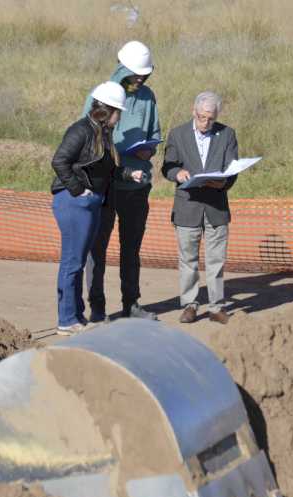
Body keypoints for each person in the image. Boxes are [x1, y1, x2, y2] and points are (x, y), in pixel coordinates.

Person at [50, 81, 146, 336]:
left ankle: (76, 316)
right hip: (74, 203)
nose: (120, 117)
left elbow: (108, 168)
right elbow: (59, 161)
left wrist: (128, 173)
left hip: (92, 202)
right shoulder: (80, 131)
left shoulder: (102, 134)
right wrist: (79, 191)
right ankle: (66, 319)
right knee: (72, 262)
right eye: (118, 112)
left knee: (79, 262)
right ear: (107, 110)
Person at [83, 41, 161, 322]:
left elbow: (155, 133)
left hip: (137, 186)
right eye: (135, 74)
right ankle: (98, 308)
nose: (140, 79)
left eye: (144, 74)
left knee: (131, 249)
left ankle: (132, 304)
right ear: (121, 68)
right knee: (98, 250)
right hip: (106, 186)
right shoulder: (101, 94)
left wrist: (147, 150)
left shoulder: (149, 97)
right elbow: (86, 134)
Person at [161, 91, 238, 325]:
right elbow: (167, 166)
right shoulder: (177, 134)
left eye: (211, 118)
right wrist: (178, 173)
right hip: (187, 206)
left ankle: (216, 307)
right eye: (202, 117)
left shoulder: (227, 134)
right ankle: (190, 305)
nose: (206, 123)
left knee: (216, 260)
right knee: (188, 260)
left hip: (216, 207)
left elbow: (232, 169)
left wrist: (223, 181)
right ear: (194, 112)